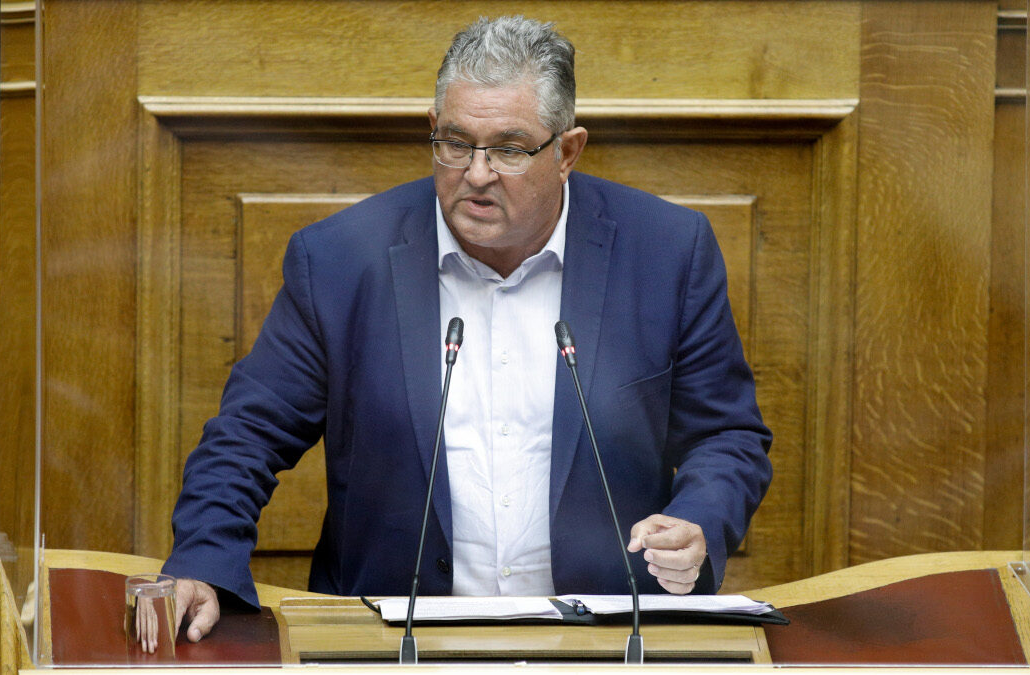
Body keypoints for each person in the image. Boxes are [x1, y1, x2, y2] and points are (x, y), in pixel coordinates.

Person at [162, 15, 772, 644]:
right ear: (433, 129)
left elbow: (726, 435)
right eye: (455, 143)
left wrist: (698, 521)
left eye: (509, 149)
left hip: (607, 638)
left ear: (566, 152)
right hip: (390, 638)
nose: (477, 173)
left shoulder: (667, 252)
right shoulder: (339, 261)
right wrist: (204, 560)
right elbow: (248, 434)